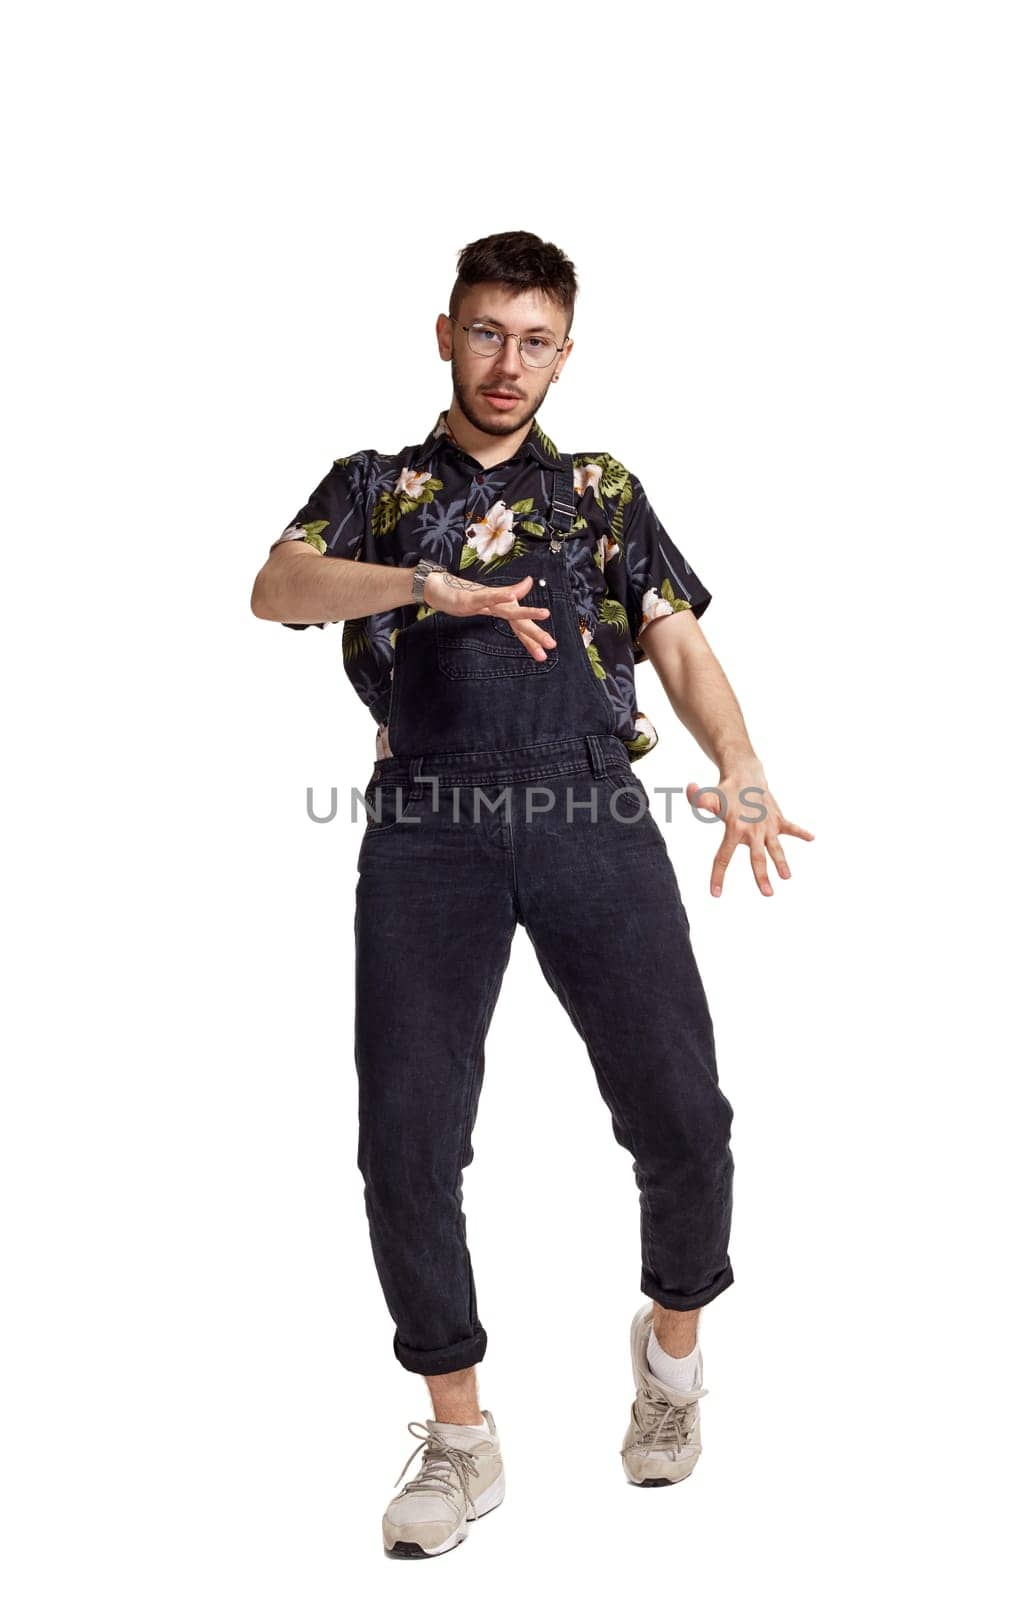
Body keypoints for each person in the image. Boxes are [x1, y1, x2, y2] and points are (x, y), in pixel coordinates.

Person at [250, 230, 813, 1559]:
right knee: (406, 1140)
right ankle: (457, 1435)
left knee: (681, 1114)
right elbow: (276, 586)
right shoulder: (377, 486)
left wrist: (735, 761)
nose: (509, 363)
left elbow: (674, 634)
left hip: (587, 809)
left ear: (567, 350)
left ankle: (669, 1359)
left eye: (537, 339)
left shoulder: (603, 492)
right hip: (428, 826)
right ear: (445, 334)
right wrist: (423, 585)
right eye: (487, 332)